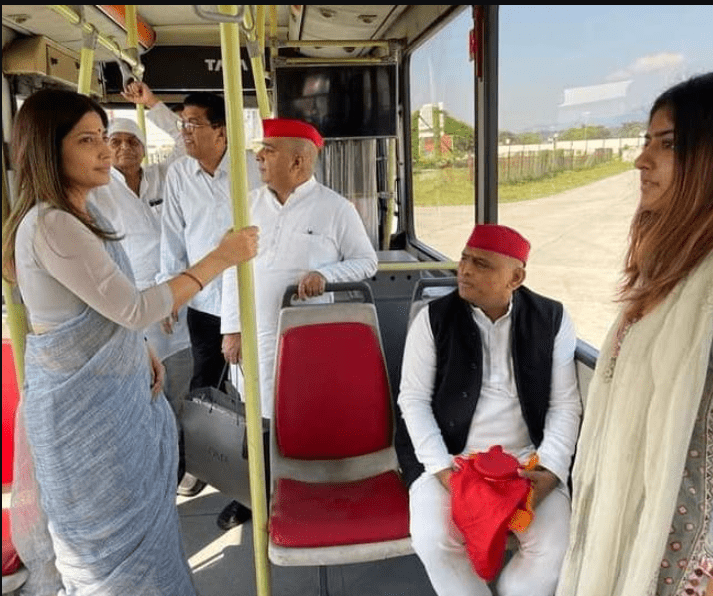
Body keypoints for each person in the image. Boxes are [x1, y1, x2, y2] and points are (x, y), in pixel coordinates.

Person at [2, 88, 258, 595]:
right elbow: (134, 307)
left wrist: (136, 348)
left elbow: (96, 308)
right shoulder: (54, 224)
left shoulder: (82, 216)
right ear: (48, 149)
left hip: (112, 395)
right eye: (88, 140)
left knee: (140, 533)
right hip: (84, 415)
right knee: (107, 555)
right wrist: (222, 259)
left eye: (103, 137)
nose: (105, 151)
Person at [556, 73, 713, 596]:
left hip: (684, 559)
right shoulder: (664, 270)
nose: (640, 161)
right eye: (646, 142)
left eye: (666, 145)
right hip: (625, 523)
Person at [395, 223, 582, 596]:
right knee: (433, 539)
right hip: (453, 459)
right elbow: (411, 401)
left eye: (481, 264)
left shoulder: (553, 319)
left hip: (527, 461)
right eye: (464, 258)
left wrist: (549, 470)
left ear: (516, 277)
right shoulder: (432, 320)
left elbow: (565, 405)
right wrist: (445, 472)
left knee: (555, 548)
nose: (464, 270)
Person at [218, 118, 379, 530]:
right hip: (256, 334)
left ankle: (312, 491)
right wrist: (231, 328)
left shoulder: (334, 208)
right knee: (255, 420)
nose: (258, 157)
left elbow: (367, 262)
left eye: (268, 151)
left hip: (308, 338)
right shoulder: (247, 204)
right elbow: (229, 269)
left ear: (299, 161)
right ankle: (252, 496)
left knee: (305, 413)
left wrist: (327, 275)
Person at [91, 82, 205, 497]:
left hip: (181, 289)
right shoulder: (99, 188)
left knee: (187, 380)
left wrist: (153, 104)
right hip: (136, 299)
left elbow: (182, 139)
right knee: (147, 390)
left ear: (142, 147)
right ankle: (158, 462)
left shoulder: (163, 175)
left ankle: (190, 460)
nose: (124, 148)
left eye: (131, 141)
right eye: (115, 141)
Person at [160, 92, 260, 394]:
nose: (184, 133)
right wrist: (169, 292)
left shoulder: (254, 169)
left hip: (250, 298)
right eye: (182, 125)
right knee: (205, 382)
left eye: (192, 125)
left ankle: (256, 441)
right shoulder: (178, 174)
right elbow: (173, 236)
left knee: (255, 381)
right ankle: (208, 442)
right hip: (203, 299)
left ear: (221, 130)